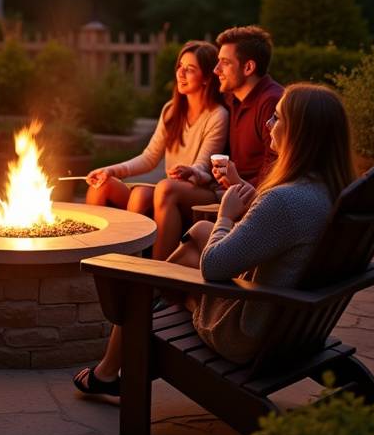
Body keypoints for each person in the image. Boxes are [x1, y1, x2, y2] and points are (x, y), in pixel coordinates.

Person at [74, 82, 353, 395]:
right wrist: (241, 213)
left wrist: (225, 214)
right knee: (198, 235)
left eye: (277, 118)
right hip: (294, 326)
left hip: (246, 334)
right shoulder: (328, 192)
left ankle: (119, 352)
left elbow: (215, 266)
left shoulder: (285, 201)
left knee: (150, 280)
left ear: (300, 134)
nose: (268, 124)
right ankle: (118, 355)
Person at [85, 40, 228, 259]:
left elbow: (203, 167)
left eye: (190, 69)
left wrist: (192, 172)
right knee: (102, 186)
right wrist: (111, 170)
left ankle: (153, 272)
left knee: (153, 190)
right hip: (168, 189)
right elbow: (150, 157)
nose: (181, 73)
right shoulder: (171, 111)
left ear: (207, 78)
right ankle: (99, 259)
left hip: (200, 190)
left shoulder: (217, 115)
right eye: (180, 67)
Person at [209, 25, 284, 191]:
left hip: (256, 196)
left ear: (248, 67)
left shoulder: (271, 102)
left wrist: (239, 188)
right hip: (231, 189)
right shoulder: (232, 99)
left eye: (225, 62)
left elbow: (275, 169)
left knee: (169, 191)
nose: (216, 70)